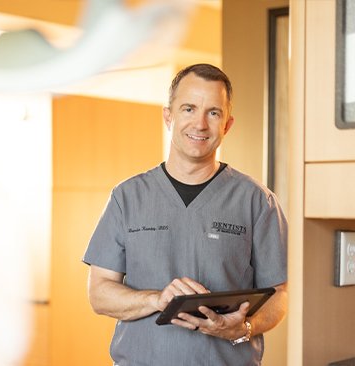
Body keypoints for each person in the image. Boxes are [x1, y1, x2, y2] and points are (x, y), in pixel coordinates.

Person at [82, 63, 288, 366]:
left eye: (213, 113)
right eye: (189, 109)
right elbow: (99, 293)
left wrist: (244, 328)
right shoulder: (127, 198)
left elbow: (279, 295)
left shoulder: (258, 201)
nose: (200, 124)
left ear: (227, 125)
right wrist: (156, 299)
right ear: (169, 116)